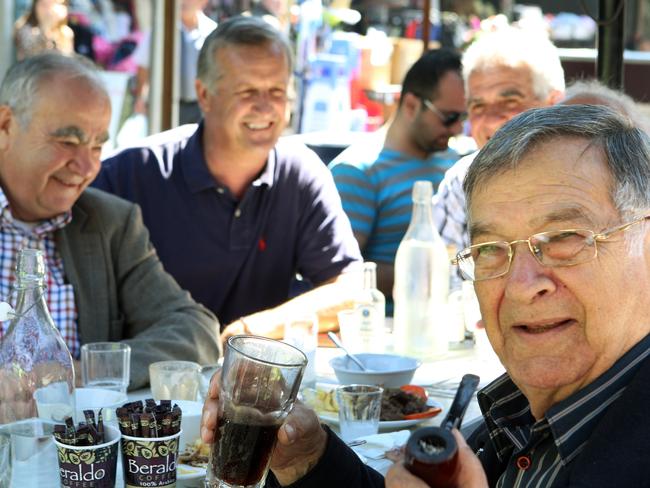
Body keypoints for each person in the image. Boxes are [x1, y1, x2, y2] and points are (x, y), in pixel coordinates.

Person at [201, 104, 650, 487]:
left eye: (565, 237)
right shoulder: (513, 415)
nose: (522, 283)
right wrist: (308, 458)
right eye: (491, 249)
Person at [93, 16, 362, 340]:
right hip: (151, 383)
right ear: (204, 95)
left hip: (257, 378)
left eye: (276, 91)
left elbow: (348, 290)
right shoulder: (129, 174)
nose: (265, 108)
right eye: (246, 91)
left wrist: (254, 330)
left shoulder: (302, 173)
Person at [0, 53, 221, 390]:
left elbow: (195, 330)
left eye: (97, 146)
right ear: (5, 126)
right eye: (68, 142)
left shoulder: (111, 224)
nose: (88, 167)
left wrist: (79, 373)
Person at [329, 48, 465, 301]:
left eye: (463, 117)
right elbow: (340, 275)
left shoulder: (452, 160)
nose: (458, 128)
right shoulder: (357, 171)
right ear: (412, 105)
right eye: (449, 117)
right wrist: (430, 273)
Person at [433, 27, 565, 252]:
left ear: (553, 104)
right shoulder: (461, 183)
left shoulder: (587, 180)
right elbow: (445, 280)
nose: (491, 120)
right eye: (478, 105)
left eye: (510, 101)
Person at [132, 0, 217, 124]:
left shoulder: (212, 31)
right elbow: (143, 65)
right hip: (166, 104)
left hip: (200, 106)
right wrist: (140, 97)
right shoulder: (161, 29)